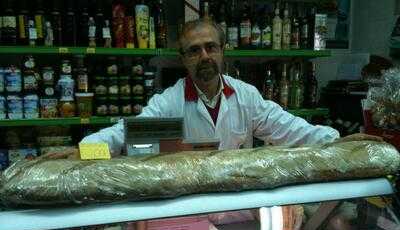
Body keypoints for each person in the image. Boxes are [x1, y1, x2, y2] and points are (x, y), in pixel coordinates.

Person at [49, 18, 379, 160]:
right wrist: (83, 151)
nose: (204, 56)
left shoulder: (245, 97)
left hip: (238, 214)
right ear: (183, 58)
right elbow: (124, 136)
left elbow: (293, 131)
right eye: (194, 50)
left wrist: (341, 141)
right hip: (189, 211)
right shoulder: (170, 103)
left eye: (211, 47)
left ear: (223, 51)